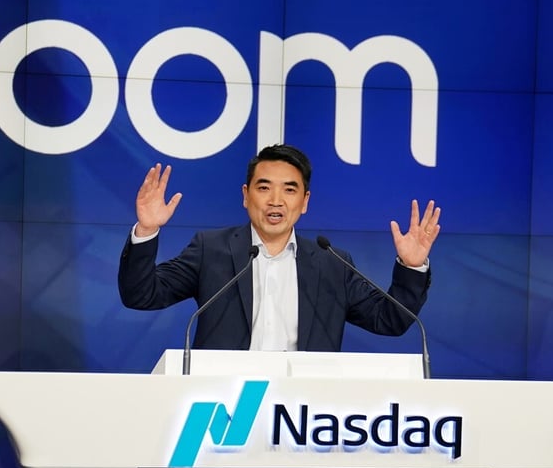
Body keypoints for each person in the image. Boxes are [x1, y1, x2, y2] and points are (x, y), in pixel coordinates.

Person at [117, 144, 440, 351]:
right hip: (224, 406)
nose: (276, 200)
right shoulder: (211, 250)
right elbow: (141, 295)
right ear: (246, 196)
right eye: (264, 188)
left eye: (289, 190)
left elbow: (390, 320)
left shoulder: (331, 263)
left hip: (302, 417)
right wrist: (147, 229)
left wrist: (412, 267)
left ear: (305, 201)